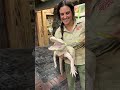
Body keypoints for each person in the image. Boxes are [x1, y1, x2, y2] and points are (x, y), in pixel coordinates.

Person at [54, 1, 96, 90]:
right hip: (69, 62)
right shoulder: (58, 31)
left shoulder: (83, 24)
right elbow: (57, 49)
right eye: (62, 14)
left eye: (67, 13)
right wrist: (60, 54)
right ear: (59, 16)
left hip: (83, 60)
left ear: (72, 12)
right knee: (71, 86)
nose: (65, 16)